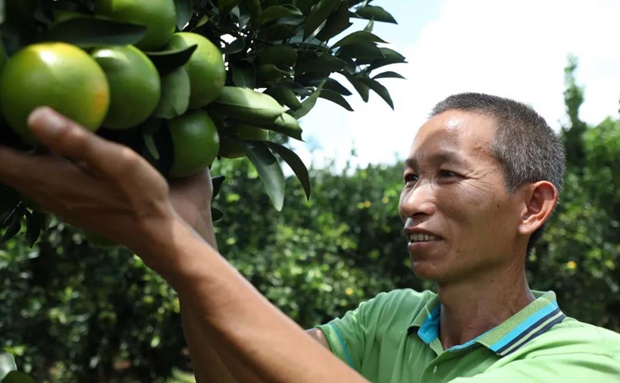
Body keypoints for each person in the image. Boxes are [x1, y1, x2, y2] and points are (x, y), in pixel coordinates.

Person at [0, 92, 618, 383]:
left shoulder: (588, 360)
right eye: (408, 179)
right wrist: (195, 229)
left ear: (532, 206)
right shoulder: (390, 320)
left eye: (446, 175)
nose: (412, 202)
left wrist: (166, 238)